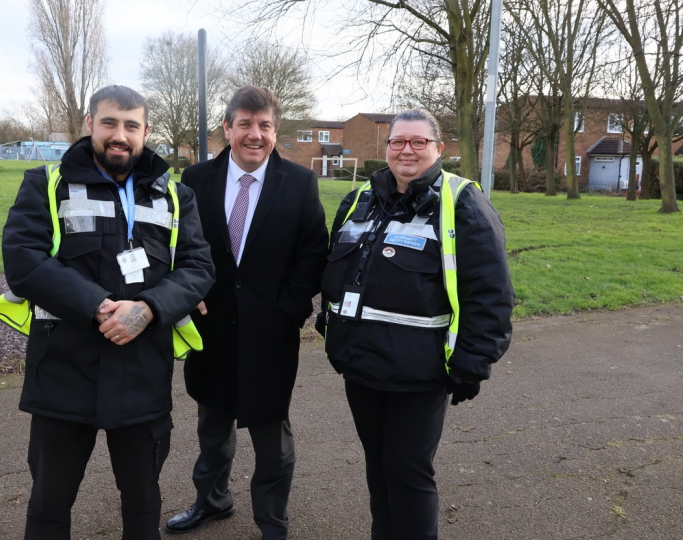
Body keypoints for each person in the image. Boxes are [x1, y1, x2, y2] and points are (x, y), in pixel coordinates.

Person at [1, 85, 215, 540]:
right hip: (63, 372)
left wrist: (149, 308)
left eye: (131, 126)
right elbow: (23, 261)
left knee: (142, 505)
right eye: (110, 123)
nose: (120, 135)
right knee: (49, 504)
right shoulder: (47, 182)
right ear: (89, 124)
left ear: (145, 131)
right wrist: (97, 307)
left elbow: (199, 267)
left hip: (142, 374)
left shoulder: (176, 196)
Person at [318, 108, 513, 540]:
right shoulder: (359, 201)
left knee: (408, 475)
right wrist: (328, 324)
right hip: (361, 367)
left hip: (418, 374)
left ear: (439, 149)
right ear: (386, 148)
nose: (407, 150)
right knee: (378, 469)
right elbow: (338, 273)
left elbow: (491, 293)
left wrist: (471, 363)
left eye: (418, 142)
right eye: (398, 142)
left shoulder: (461, 201)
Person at [165, 86, 329, 540]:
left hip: (270, 331)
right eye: (245, 124)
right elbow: (172, 243)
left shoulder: (298, 183)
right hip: (212, 329)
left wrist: (288, 311)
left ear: (275, 129)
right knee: (212, 427)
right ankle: (212, 500)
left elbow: (313, 254)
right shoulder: (195, 179)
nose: (255, 135)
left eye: (265, 126)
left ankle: (272, 522)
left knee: (272, 438)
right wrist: (182, 291)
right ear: (227, 128)